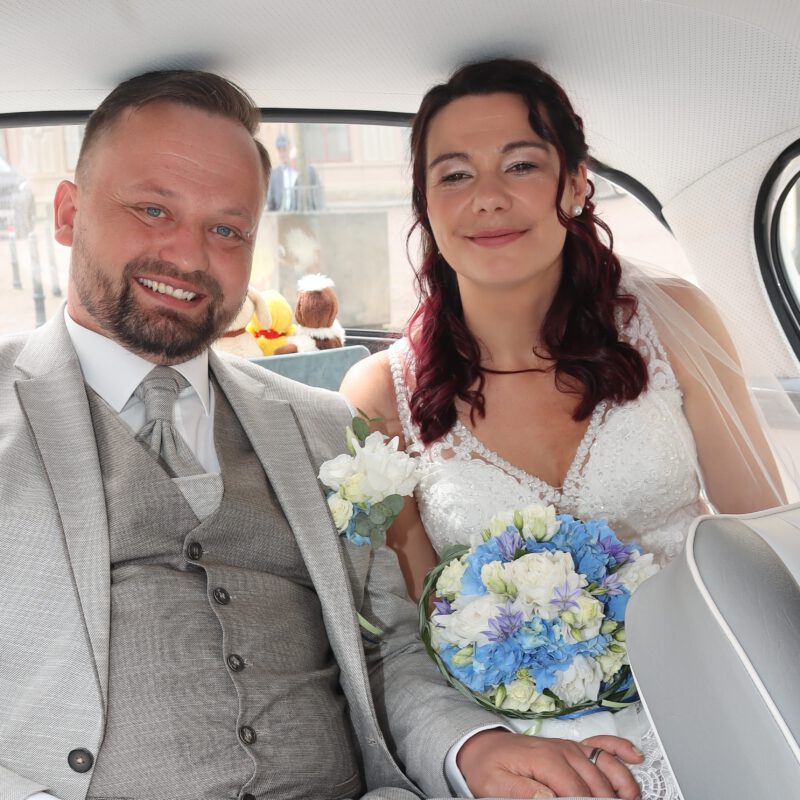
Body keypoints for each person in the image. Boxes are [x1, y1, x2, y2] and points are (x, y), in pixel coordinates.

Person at [0, 67, 642, 800]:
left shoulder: (324, 428)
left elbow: (388, 650)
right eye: (152, 209)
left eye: (226, 230)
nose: (187, 255)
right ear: (67, 213)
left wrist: (473, 751)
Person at [340, 57, 791, 800]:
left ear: (576, 184)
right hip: (531, 751)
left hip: (716, 693)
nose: (488, 197)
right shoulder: (380, 395)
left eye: (521, 164)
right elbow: (418, 631)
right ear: (425, 203)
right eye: (454, 175)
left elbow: (760, 543)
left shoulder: (673, 323)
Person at [266, 132, 324, 212]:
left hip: (303, 216)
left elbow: (317, 197)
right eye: (279, 150)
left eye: (284, 149)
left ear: (291, 149)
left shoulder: (308, 171)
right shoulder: (275, 174)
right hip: (282, 217)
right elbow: (271, 203)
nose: (282, 154)